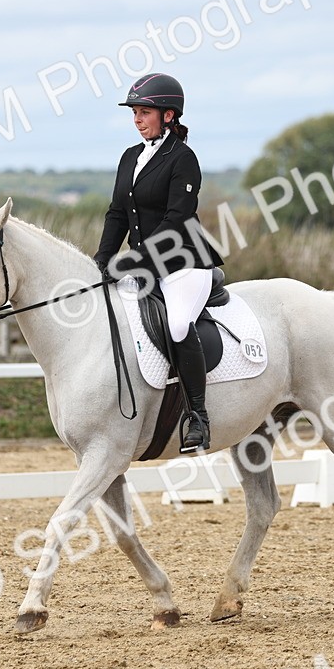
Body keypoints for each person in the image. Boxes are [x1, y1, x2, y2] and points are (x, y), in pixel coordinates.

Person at [94, 73, 224, 454]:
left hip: (184, 261)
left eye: (144, 112)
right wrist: (103, 259)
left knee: (179, 325)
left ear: (168, 115)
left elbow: (176, 219)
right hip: (143, 263)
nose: (137, 119)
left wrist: (133, 259)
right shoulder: (130, 157)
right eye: (134, 112)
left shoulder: (183, 159)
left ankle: (197, 417)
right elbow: (117, 213)